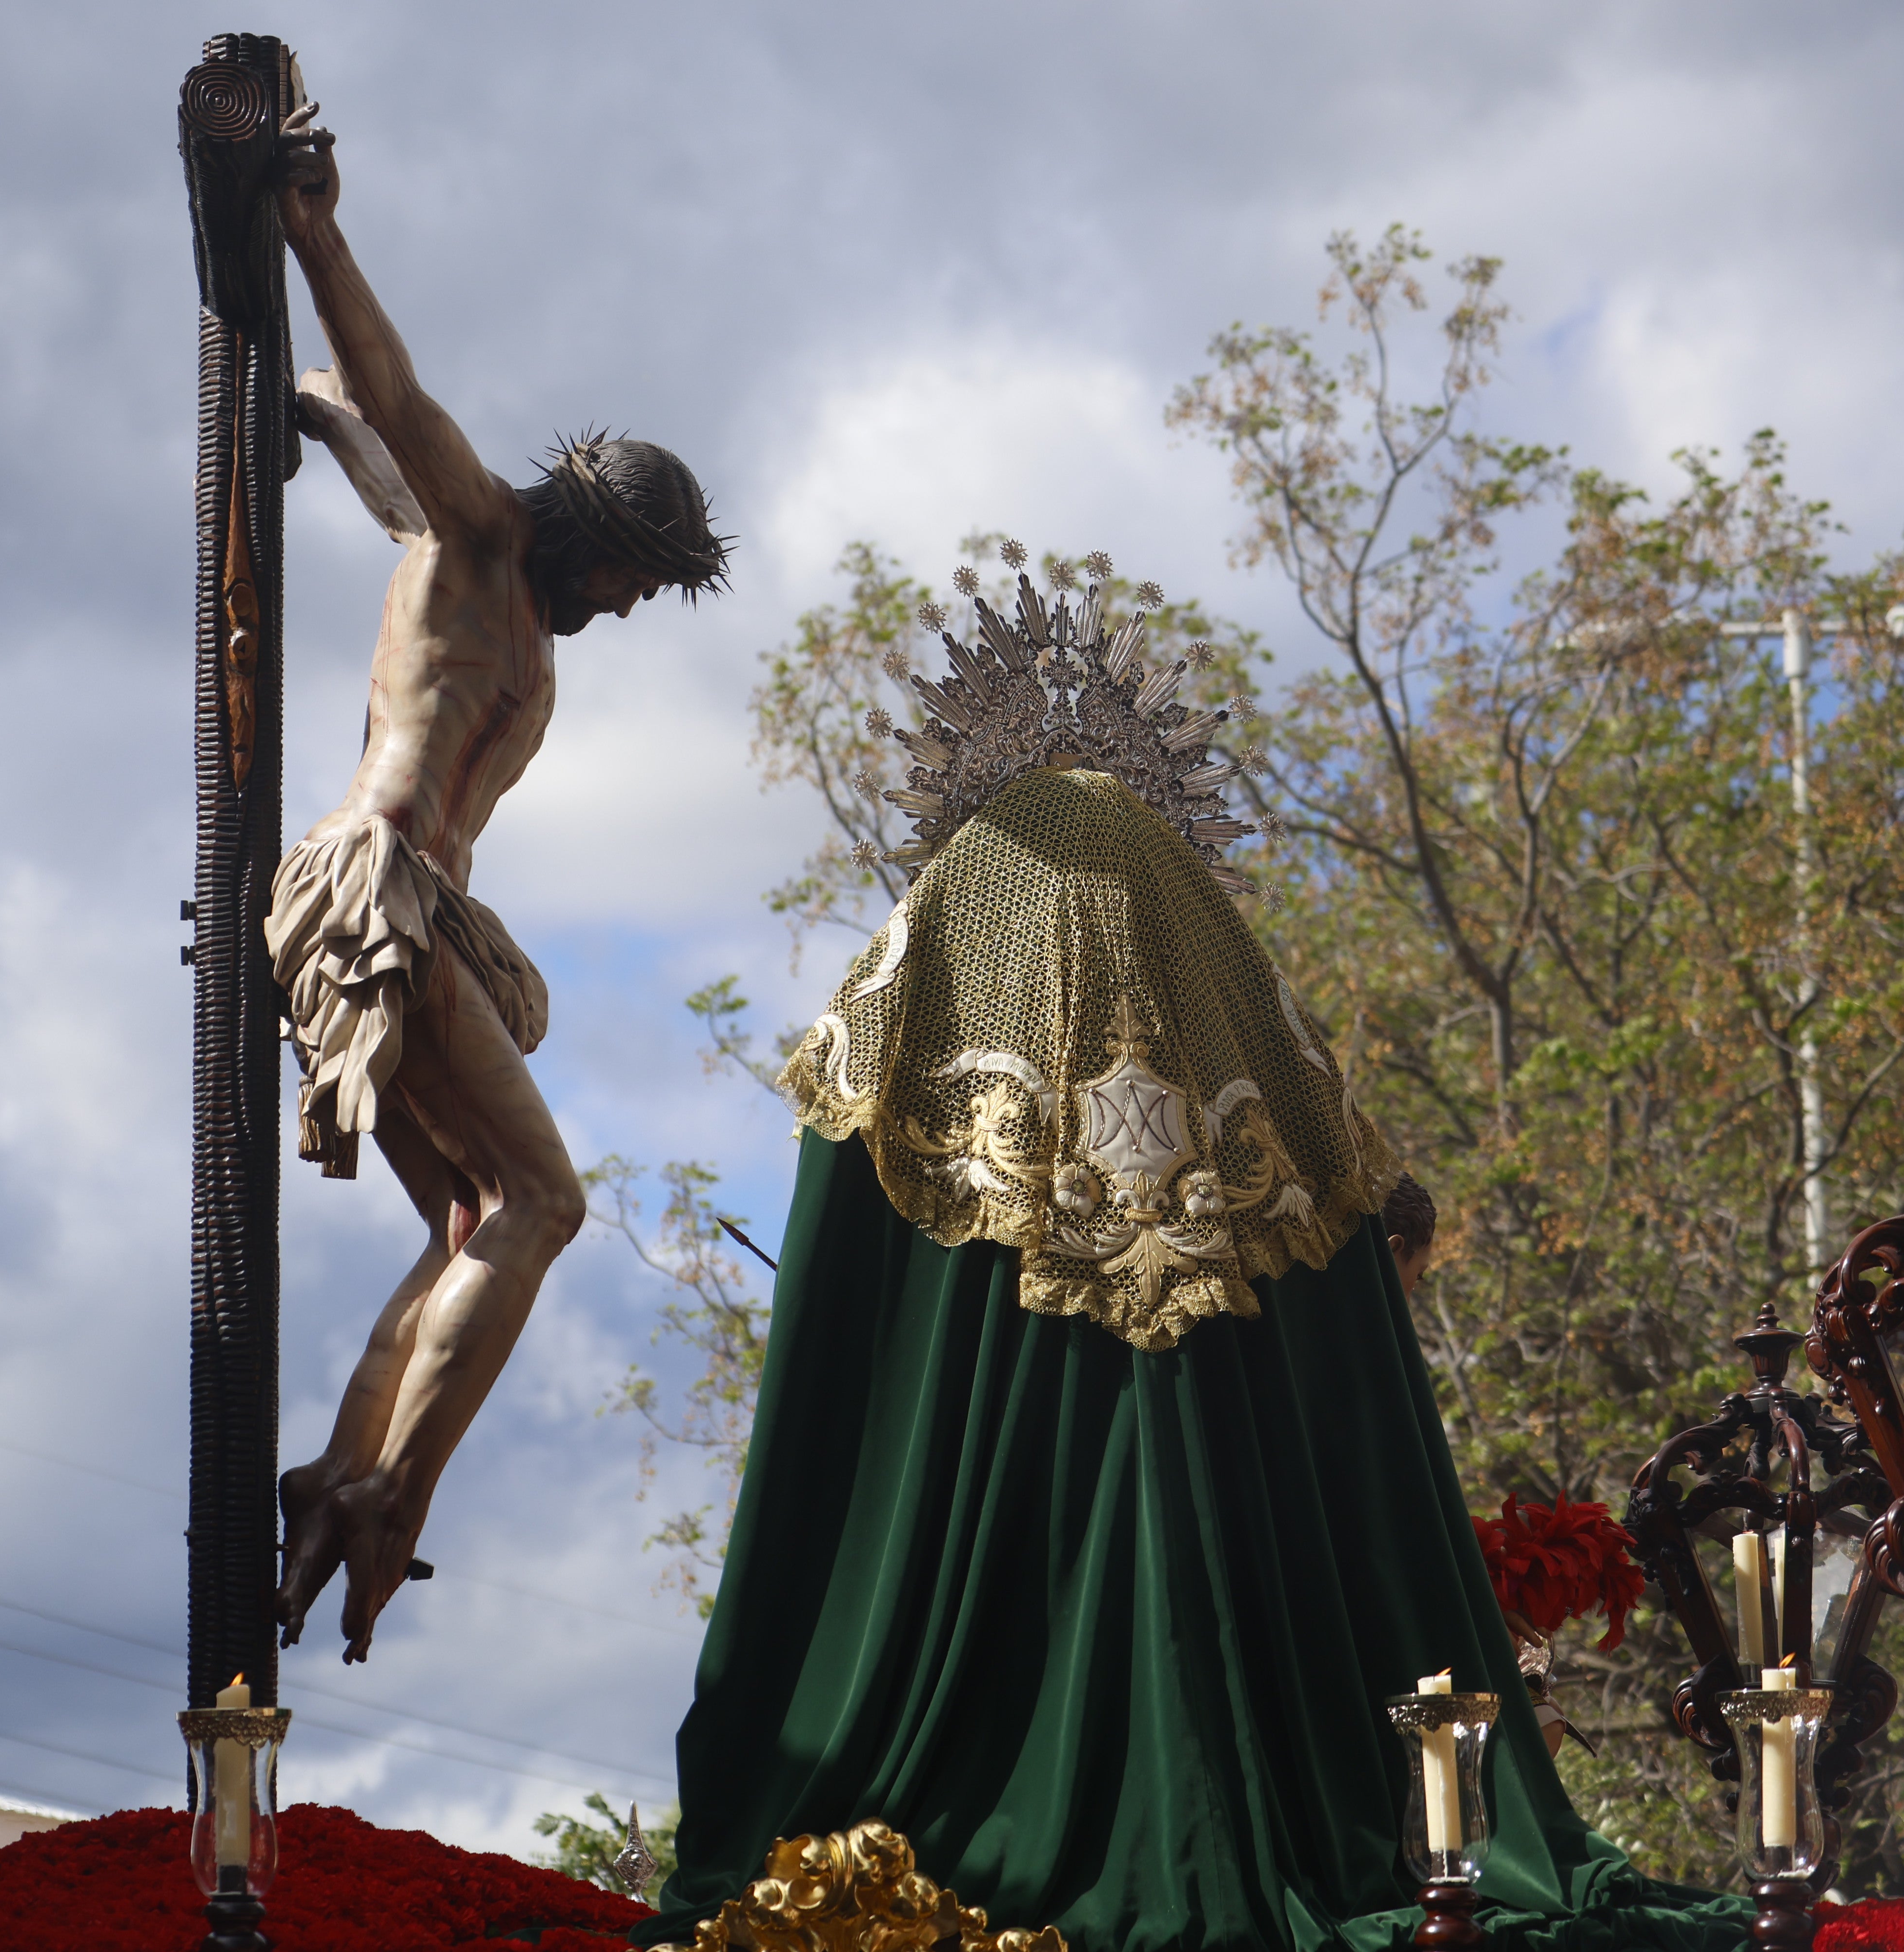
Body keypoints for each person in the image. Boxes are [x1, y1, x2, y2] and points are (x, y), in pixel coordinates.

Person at [633, 569, 1743, 1950]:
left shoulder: (906, 1035)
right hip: (1318, 1793)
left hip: (913, 1805)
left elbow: (830, 1379)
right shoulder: (1277, 1082)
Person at [264, 111, 730, 1662]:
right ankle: (392, 1492)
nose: (629, 607)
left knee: (471, 1215)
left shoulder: (503, 587)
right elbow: (403, 405)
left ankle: (341, 1477)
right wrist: (317, 235)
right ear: (590, 534)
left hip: (421, 914)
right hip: (375, 898)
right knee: (545, 1201)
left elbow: (370, 442)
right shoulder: (479, 535)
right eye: (631, 578)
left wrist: (322, 416)